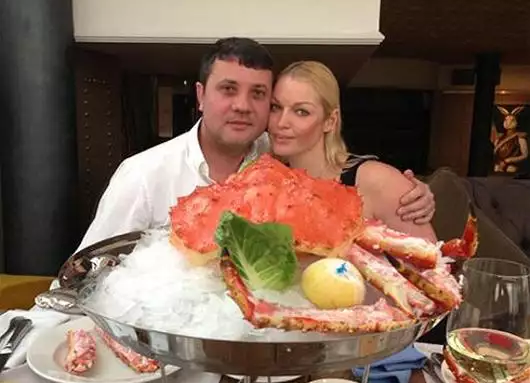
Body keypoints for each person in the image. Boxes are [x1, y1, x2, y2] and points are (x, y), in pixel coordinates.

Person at [75, 37, 435, 254]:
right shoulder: (142, 175)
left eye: (259, 94)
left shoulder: (277, 158)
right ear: (200, 95)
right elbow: (86, 274)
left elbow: (338, 170)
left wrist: (409, 191)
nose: (243, 106)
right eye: (228, 89)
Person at [268, 60, 436, 240]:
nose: (281, 123)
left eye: (301, 111)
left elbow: (432, 256)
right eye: (275, 107)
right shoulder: (267, 181)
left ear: (330, 121)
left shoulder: (377, 181)